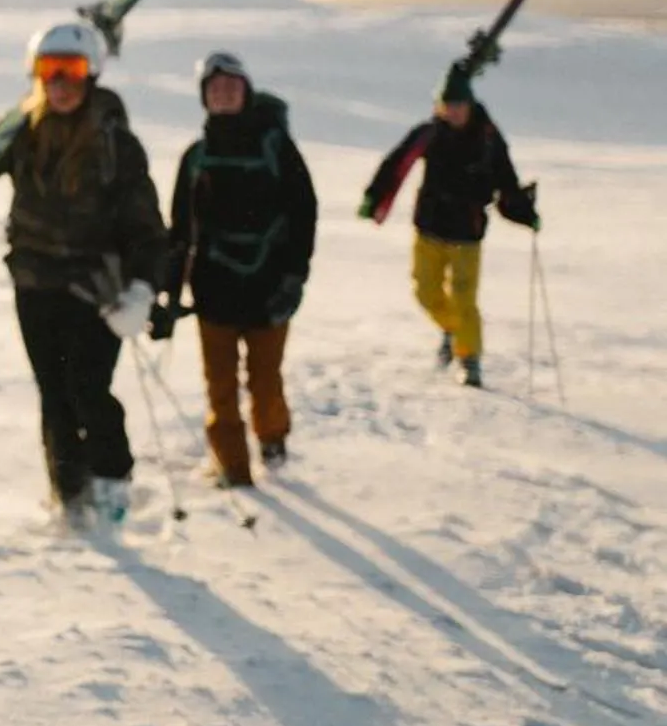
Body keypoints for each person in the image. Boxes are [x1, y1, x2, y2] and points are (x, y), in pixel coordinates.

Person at [0, 22, 165, 526]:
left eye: (72, 70)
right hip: (35, 285)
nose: (60, 82)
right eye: (49, 71)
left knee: (88, 388)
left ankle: (111, 484)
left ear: (92, 74)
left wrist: (143, 290)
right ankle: (68, 492)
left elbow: (147, 227)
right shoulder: (21, 130)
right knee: (54, 394)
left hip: (95, 288)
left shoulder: (116, 143)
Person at [154, 51, 317, 487]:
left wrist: (294, 276)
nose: (223, 94)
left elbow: (303, 210)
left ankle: (272, 441)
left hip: (269, 289)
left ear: (246, 91)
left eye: (231, 86)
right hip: (213, 290)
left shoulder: (276, 146)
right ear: (204, 98)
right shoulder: (196, 157)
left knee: (266, 378)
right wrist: (169, 292)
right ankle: (232, 466)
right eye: (214, 88)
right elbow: (180, 230)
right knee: (219, 385)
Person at [361, 65, 538, 388]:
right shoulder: (429, 133)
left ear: (469, 104)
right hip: (428, 227)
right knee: (425, 292)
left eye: (458, 105)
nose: (452, 111)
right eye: (446, 105)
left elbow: (506, 178)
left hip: (467, 233)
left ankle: (469, 359)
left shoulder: (487, 137)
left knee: (463, 297)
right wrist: (374, 198)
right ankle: (454, 329)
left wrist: (524, 212)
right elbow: (396, 162)